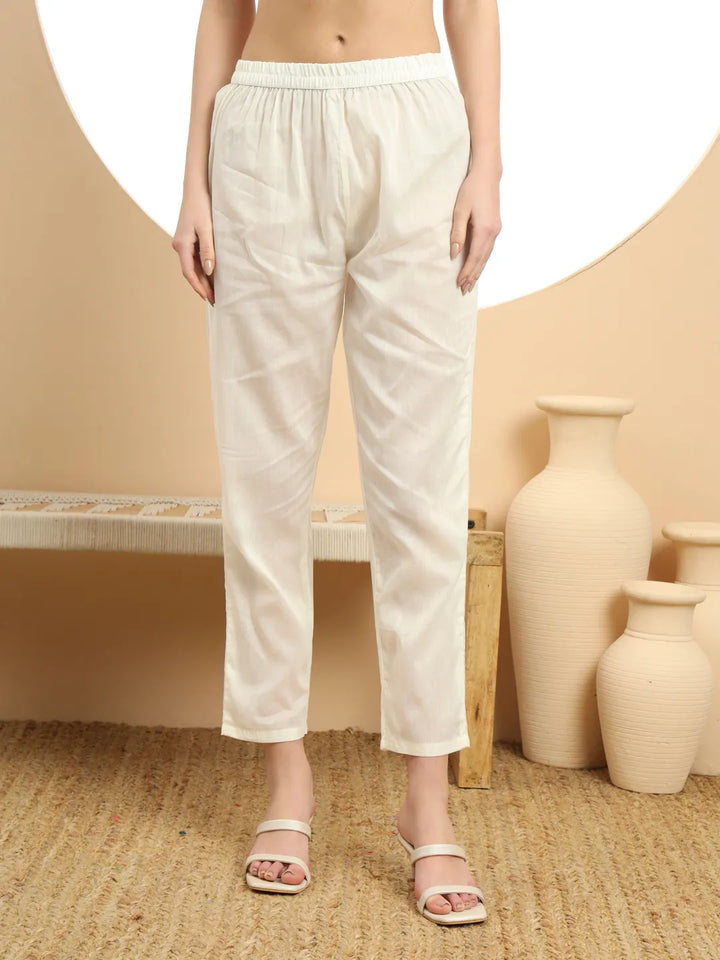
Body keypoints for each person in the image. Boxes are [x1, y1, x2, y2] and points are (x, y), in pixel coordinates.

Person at [172, 0, 501, 925]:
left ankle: (427, 804)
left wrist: (487, 159)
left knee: (421, 489)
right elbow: (224, 7)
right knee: (263, 480)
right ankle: (286, 781)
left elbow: (472, 3)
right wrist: (193, 179)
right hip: (265, 126)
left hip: (414, 121)